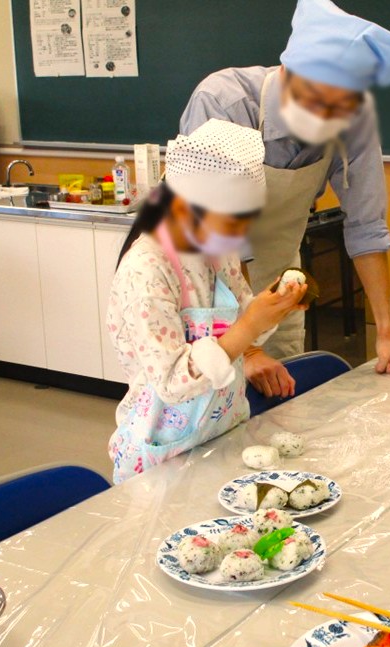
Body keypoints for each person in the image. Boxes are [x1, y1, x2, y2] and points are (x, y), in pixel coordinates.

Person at [180, 0, 390, 398]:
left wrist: (386, 335)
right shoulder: (226, 102)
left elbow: (367, 228)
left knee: (281, 406)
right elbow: (216, 231)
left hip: (280, 282)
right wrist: (247, 345)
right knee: (211, 404)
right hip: (208, 285)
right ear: (287, 72)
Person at [107, 120, 307, 484]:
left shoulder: (217, 252)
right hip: (162, 452)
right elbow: (172, 381)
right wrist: (250, 324)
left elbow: (244, 327)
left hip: (220, 433)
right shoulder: (147, 270)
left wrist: (271, 309)